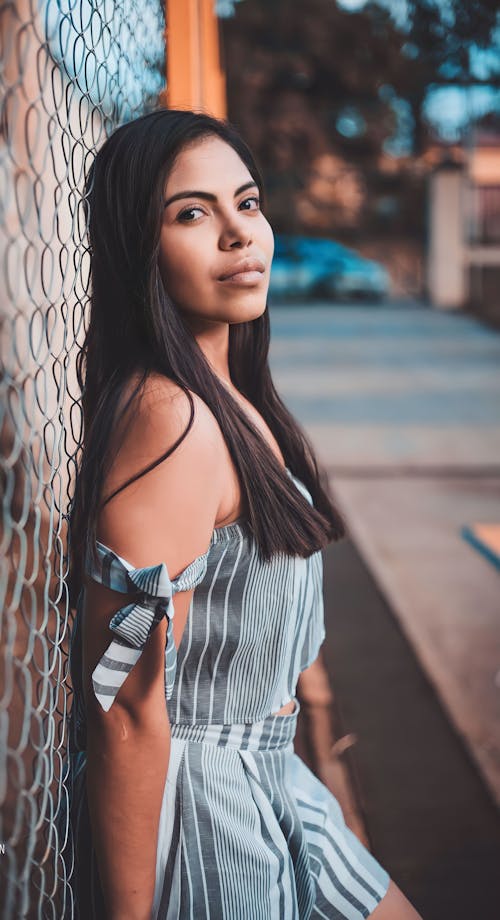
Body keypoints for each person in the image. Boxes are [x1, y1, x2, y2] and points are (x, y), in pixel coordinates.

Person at [66, 109, 422, 920]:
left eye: (248, 202)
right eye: (192, 213)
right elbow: (123, 698)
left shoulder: (225, 397)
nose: (239, 235)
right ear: (136, 247)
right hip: (203, 812)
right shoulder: (171, 419)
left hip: (276, 778)